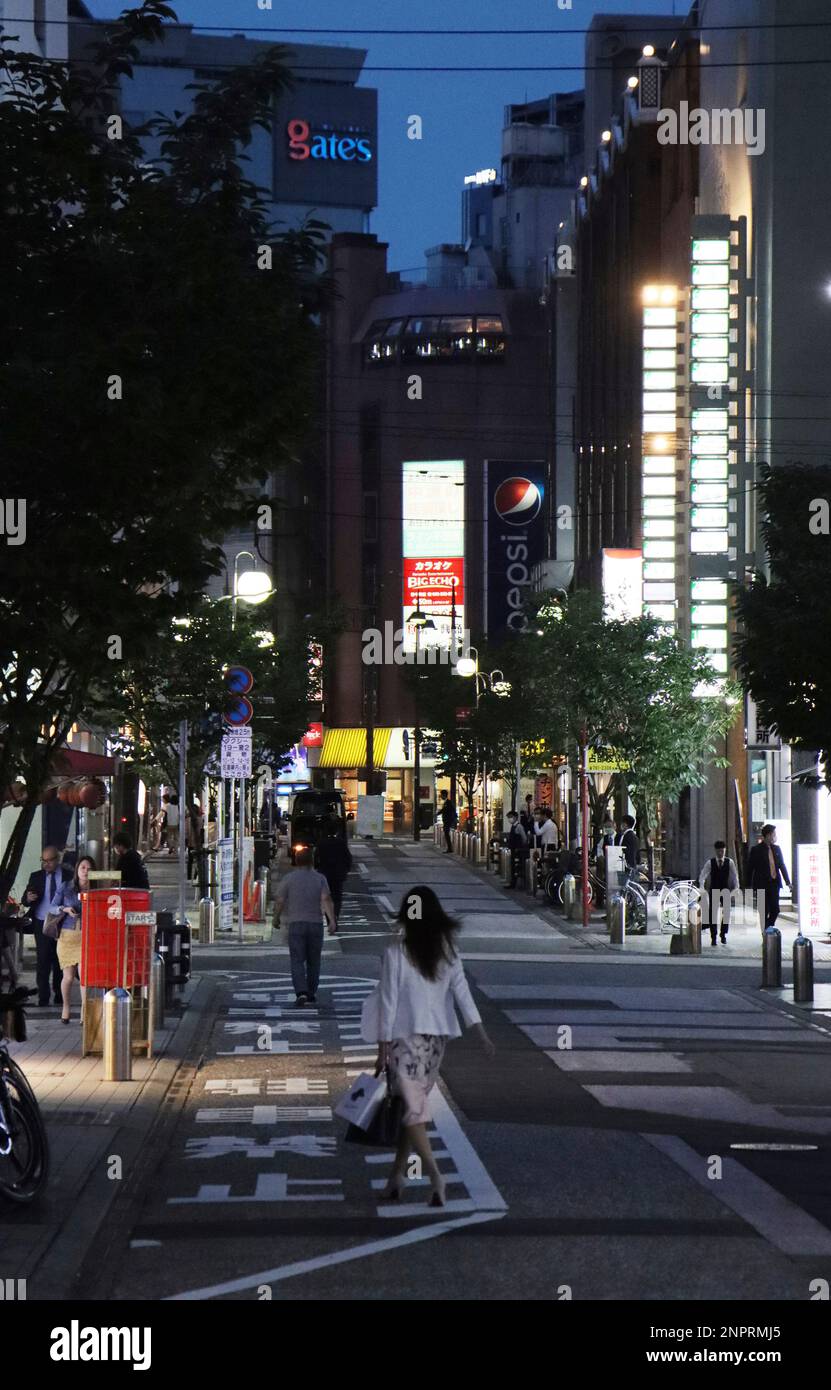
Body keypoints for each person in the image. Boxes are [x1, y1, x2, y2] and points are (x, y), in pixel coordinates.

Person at [363, 886, 495, 1206]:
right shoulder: (447, 949)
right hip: (435, 1041)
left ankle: (436, 1176)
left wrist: (382, 1048)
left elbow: (388, 1003)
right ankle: (397, 1178)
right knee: (413, 1108)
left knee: (412, 1108)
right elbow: (462, 992)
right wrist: (479, 1030)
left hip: (405, 1039)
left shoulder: (396, 952)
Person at [273, 847, 337, 1006]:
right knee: (314, 961)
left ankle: (301, 991)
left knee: (297, 960)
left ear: (296, 861)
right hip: (315, 924)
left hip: (295, 924)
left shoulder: (289, 878)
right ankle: (311, 991)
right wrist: (332, 920)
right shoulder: (320, 878)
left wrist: (276, 918)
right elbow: (326, 899)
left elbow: (280, 900)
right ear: (312, 861)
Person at [23, 846, 73, 1006]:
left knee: (60, 960)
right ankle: (43, 996)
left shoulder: (68, 875)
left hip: (62, 923)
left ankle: (59, 994)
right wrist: (28, 898)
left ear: (57, 860)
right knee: (42, 960)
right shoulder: (36, 876)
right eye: (43, 861)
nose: (46, 864)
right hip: (41, 922)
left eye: (49, 861)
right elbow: (25, 899)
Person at [49, 854, 95, 1022]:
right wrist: (65, 909)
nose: (86, 871)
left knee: (84, 977)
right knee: (68, 977)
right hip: (67, 936)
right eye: (83, 867)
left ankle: (85, 1011)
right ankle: (66, 1008)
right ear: (77, 869)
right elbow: (52, 907)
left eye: (89, 869)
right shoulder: (66, 887)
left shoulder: (96, 889)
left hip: (87, 936)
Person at [748, 824, 791, 932]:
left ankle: (768, 928)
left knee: (775, 910)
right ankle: (765, 934)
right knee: (763, 911)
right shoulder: (756, 850)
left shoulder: (777, 849)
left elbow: (781, 865)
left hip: (774, 884)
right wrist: (748, 886)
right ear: (768, 835)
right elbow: (750, 868)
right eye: (774, 834)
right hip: (761, 886)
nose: (775, 837)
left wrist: (788, 882)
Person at [699, 840, 739, 946]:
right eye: (719, 851)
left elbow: (735, 876)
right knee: (713, 914)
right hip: (714, 889)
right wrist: (702, 887)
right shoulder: (710, 862)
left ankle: (723, 934)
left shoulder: (729, 862)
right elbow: (703, 875)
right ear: (716, 851)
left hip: (725, 890)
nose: (721, 853)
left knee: (726, 913)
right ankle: (713, 936)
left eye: (723, 851)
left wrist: (736, 887)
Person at [316, 819, 353, 919]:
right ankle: (335, 914)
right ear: (336, 830)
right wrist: (347, 869)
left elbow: (316, 858)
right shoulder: (341, 842)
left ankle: (329, 917)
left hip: (325, 873)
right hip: (338, 873)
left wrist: (317, 869)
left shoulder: (321, 843)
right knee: (337, 896)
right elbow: (348, 857)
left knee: (326, 895)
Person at [506, 811, 528, 889]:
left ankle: (515, 883)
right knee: (513, 866)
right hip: (513, 849)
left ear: (515, 817)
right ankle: (513, 882)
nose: (509, 819)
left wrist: (520, 847)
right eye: (508, 817)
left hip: (517, 850)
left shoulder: (519, 827)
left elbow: (524, 838)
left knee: (516, 866)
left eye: (510, 817)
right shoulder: (513, 826)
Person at [439, 789, 457, 854]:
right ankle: (449, 848)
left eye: (441, 795)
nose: (440, 796)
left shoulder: (448, 802)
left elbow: (446, 810)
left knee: (447, 834)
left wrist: (452, 820)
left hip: (448, 821)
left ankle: (450, 848)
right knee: (446, 834)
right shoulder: (446, 802)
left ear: (444, 795)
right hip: (447, 821)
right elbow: (443, 810)